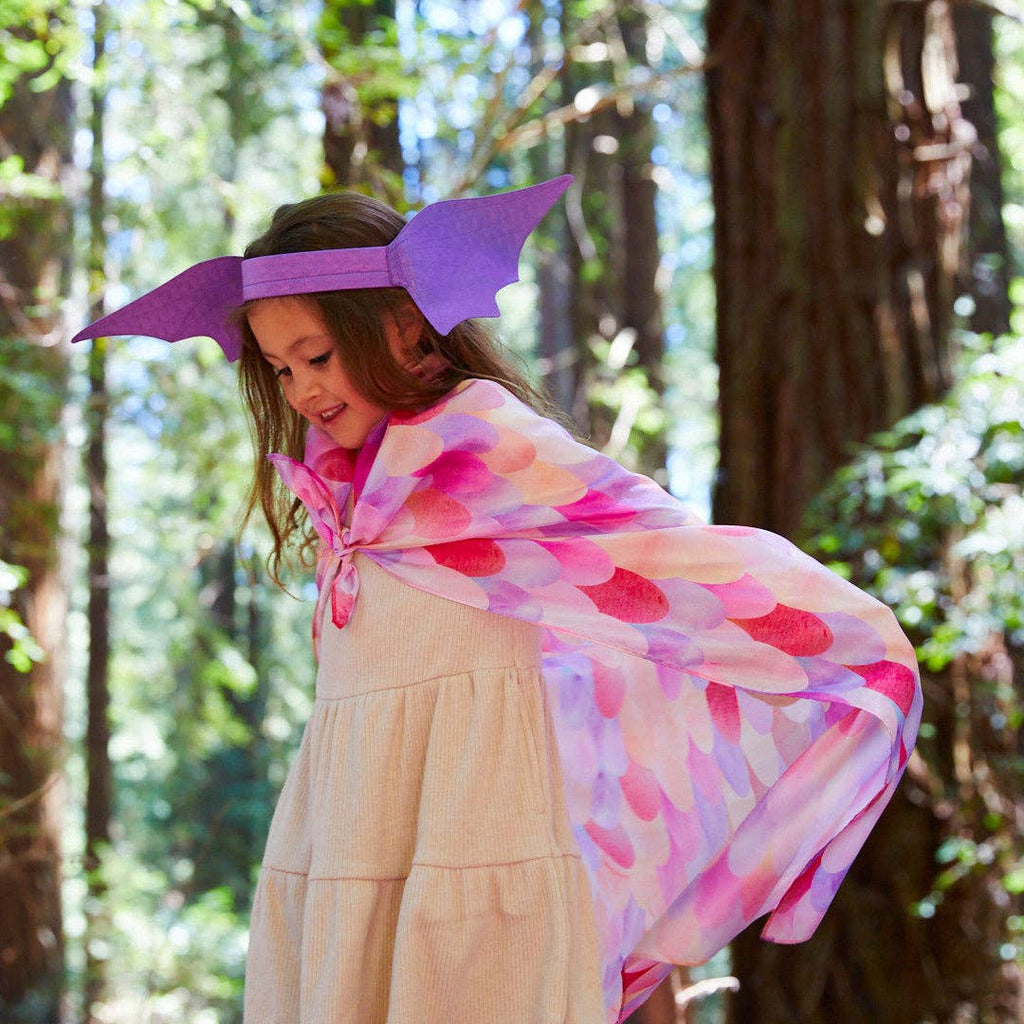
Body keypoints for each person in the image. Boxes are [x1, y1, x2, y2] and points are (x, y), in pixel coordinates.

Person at [72, 176, 922, 1024]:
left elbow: (662, 566)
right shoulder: (344, 506)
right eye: (281, 368)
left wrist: (855, 653)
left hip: (482, 848)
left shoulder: (498, 453)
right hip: (351, 846)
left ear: (403, 327)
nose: (299, 391)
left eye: (318, 357)